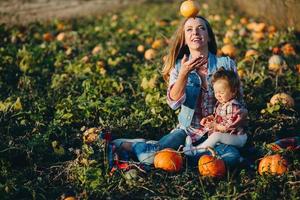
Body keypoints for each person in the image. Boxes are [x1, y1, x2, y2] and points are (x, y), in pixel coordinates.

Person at [112, 16, 245, 167]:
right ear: (184, 40)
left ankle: (181, 154)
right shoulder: (178, 67)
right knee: (148, 157)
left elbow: (240, 101)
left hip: (216, 134)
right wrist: (184, 74)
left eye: (201, 28)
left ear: (208, 37)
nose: (195, 32)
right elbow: (173, 104)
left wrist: (237, 119)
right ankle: (137, 145)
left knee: (230, 157)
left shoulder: (226, 64)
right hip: (187, 131)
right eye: (189, 29)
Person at [183, 68, 248, 156]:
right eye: (216, 92)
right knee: (215, 137)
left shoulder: (233, 106)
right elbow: (219, 117)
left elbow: (228, 126)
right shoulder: (221, 104)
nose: (218, 95)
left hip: (238, 138)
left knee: (216, 136)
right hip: (229, 135)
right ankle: (198, 151)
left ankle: (195, 151)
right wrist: (209, 119)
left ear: (233, 91)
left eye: (221, 92)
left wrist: (215, 125)